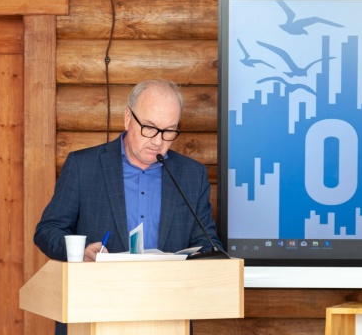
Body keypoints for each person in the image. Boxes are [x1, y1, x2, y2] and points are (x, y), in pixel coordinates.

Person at [33, 79, 223, 334]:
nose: (158, 141)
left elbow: (207, 243)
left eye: (169, 131)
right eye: (150, 128)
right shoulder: (83, 166)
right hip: (92, 310)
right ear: (127, 118)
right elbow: (48, 230)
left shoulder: (191, 175)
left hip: (167, 314)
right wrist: (81, 253)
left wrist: (205, 259)